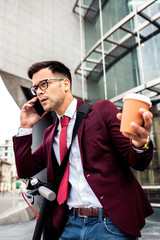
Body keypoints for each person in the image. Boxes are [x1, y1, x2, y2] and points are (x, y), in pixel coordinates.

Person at [13, 60, 154, 240]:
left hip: (110, 226)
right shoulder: (50, 133)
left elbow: (137, 161)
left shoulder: (101, 110)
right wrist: (25, 126)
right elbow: (25, 170)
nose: (39, 91)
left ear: (65, 84)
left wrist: (140, 144)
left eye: (44, 84)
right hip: (69, 225)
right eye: (35, 88)